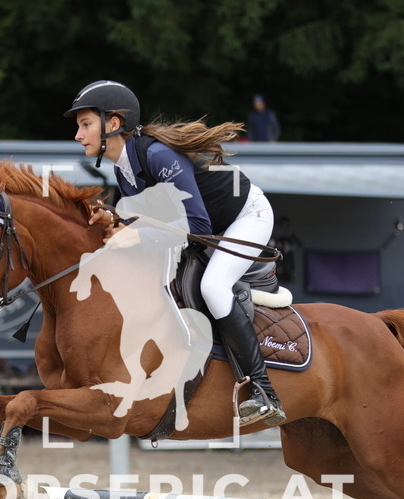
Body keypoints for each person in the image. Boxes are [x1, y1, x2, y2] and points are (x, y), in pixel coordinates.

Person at [65, 80, 286, 427]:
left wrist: (135, 237)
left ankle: (263, 390)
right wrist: (115, 219)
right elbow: (154, 216)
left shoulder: (156, 155)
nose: (78, 135)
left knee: (213, 287)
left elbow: (195, 224)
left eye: (85, 124)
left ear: (114, 123)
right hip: (209, 225)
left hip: (244, 217)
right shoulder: (125, 167)